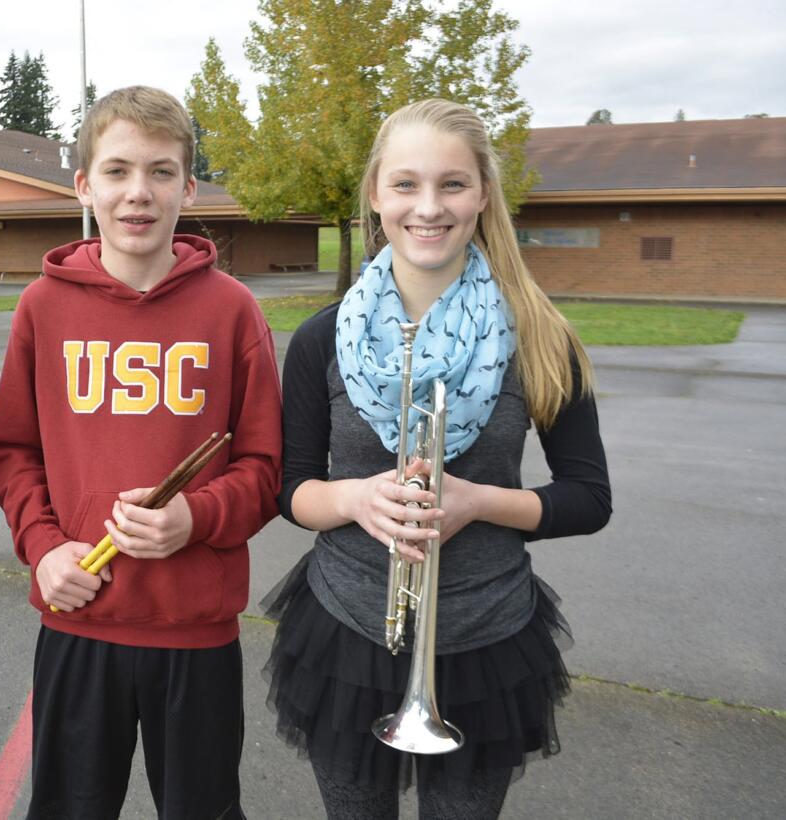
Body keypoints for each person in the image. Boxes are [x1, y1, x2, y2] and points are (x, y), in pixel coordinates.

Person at [263, 98, 612, 819]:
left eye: (453, 184)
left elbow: (588, 496)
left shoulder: (541, 337)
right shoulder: (321, 340)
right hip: (348, 633)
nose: (429, 207)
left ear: (484, 194)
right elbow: (290, 488)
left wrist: (481, 502)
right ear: (375, 196)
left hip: (487, 638)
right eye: (405, 184)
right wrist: (356, 499)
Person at [0, 86, 282, 820]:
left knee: (202, 810)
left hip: (194, 629)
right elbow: (11, 451)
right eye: (117, 171)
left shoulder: (232, 309)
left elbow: (266, 469)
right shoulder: (43, 308)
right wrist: (44, 548)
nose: (137, 193)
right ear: (84, 185)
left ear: (189, 185)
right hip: (78, 615)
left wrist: (196, 517)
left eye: (160, 171)